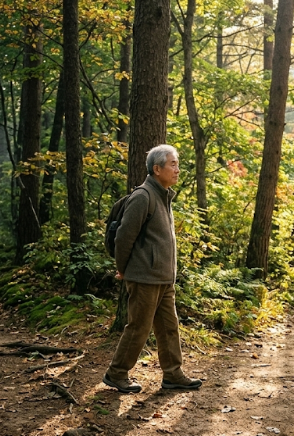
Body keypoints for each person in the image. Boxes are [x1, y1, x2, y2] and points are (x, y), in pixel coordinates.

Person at [104, 144, 202, 393]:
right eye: (173, 164)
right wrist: (122, 269)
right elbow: (123, 238)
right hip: (144, 277)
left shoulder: (163, 196)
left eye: (177, 164)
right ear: (157, 169)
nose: (177, 169)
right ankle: (117, 373)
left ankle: (173, 374)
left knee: (169, 328)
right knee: (139, 328)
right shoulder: (143, 196)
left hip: (163, 278)